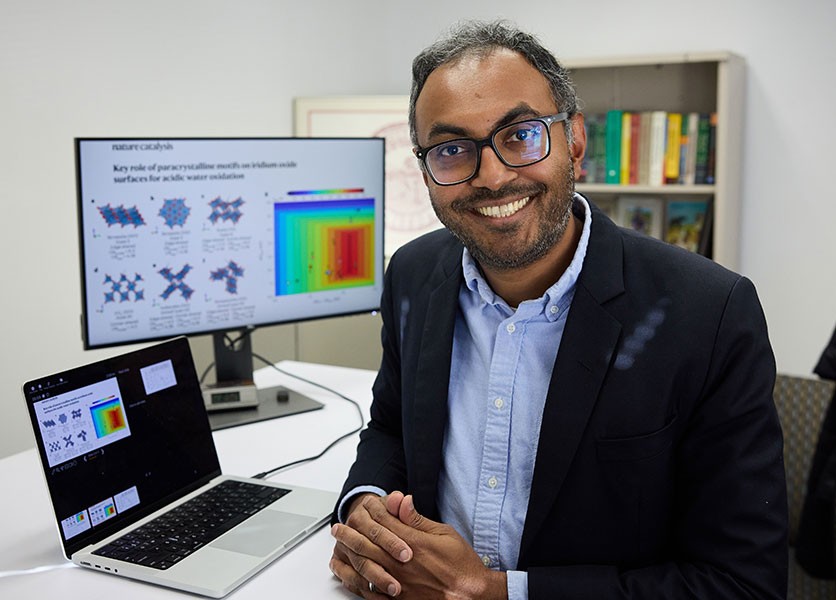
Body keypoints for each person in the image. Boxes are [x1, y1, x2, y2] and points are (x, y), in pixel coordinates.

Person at [329, 20, 787, 600]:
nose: (492, 176)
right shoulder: (413, 274)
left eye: (520, 135)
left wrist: (499, 592)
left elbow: (742, 584)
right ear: (426, 172)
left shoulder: (712, 313)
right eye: (451, 150)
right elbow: (392, 425)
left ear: (573, 140)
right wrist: (366, 507)